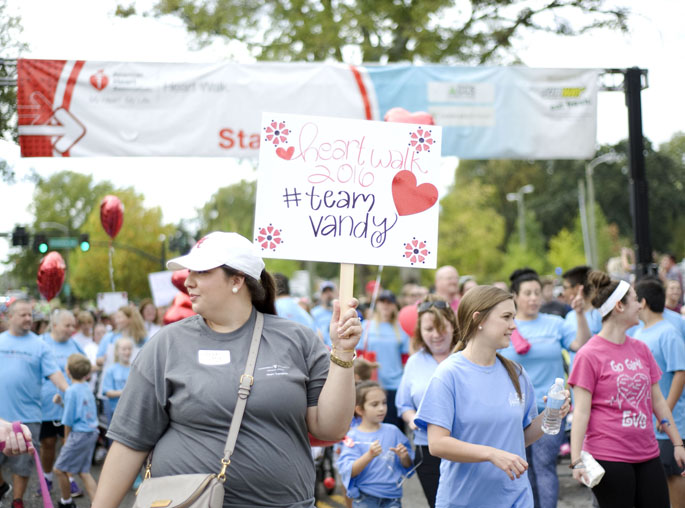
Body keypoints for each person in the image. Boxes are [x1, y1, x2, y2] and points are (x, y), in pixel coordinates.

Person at [91, 231, 362, 508]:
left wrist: (342, 351)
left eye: (202, 272)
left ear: (237, 280)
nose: (188, 281)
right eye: (190, 272)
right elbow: (130, 442)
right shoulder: (167, 344)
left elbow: (331, 428)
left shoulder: (297, 339)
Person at [415, 285, 570, 508]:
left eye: (513, 317)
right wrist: (490, 454)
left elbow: (520, 437)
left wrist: (551, 415)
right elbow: (437, 444)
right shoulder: (449, 374)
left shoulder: (516, 373)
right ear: (479, 319)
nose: (513, 326)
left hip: (515, 497)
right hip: (464, 501)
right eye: (506, 317)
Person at [569, 271, 685, 508]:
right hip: (608, 456)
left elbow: (658, 401)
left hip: (648, 452)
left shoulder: (641, 348)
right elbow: (581, 412)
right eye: (634, 299)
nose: (640, 305)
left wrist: (677, 444)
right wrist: (576, 459)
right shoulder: (588, 355)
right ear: (619, 306)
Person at [498, 268, 590, 508]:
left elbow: (581, 345)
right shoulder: (506, 326)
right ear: (515, 296)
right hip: (512, 410)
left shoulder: (555, 323)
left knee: (544, 465)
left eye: (537, 293)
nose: (533, 298)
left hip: (549, 408)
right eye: (527, 293)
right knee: (521, 468)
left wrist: (580, 314)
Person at [0, 299, 68, 508]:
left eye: (30, 314)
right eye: (23, 314)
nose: (28, 318)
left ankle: (17, 501)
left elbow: (55, 374)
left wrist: (70, 392)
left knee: (22, 464)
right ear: (10, 317)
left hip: (27, 417)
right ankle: (3, 487)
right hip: (0, 416)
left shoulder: (40, 345)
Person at [396, 296, 458, 508]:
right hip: (428, 449)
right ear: (420, 331)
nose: (436, 335)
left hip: (465, 446)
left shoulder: (465, 357)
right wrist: (413, 419)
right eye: (429, 329)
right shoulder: (414, 362)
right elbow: (404, 405)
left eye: (441, 327)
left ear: (453, 326)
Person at [633, 279, 685, 507]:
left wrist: (666, 414)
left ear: (643, 302)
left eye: (634, 299)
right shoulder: (638, 332)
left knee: (675, 480)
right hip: (647, 427)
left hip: (671, 426)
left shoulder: (668, 332)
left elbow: (681, 373)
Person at [337, 381, 414, 507]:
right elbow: (349, 471)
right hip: (366, 498)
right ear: (360, 410)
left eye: (384, 403)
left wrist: (404, 457)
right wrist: (369, 455)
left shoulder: (393, 431)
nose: (381, 408)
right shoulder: (352, 437)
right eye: (375, 404)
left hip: (392, 498)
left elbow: (408, 465)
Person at [38, 309, 84, 498]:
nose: (72, 329)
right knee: (48, 443)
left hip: (69, 403)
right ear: (55, 325)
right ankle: (46, 478)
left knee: (68, 443)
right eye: (67, 325)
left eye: (73, 325)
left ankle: (69, 480)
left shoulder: (74, 344)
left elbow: (85, 366)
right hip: (46, 404)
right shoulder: (41, 342)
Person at [53, 354, 99, 508]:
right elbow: (79, 410)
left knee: (59, 469)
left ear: (68, 371)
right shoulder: (86, 387)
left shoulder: (71, 391)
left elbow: (68, 421)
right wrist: (62, 403)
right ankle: (100, 504)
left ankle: (66, 503)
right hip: (91, 432)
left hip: (79, 434)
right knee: (84, 471)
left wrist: (66, 440)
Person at [362, 290, 410, 430]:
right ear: (377, 304)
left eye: (389, 302)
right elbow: (358, 354)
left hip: (395, 385)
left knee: (394, 427)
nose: (385, 305)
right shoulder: (366, 326)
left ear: (394, 305)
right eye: (382, 301)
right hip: (372, 384)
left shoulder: (401, 328)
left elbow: (405, 358)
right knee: (372, 427)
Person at [100, 337, 134, 424]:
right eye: (124, 349)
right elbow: (108, 392)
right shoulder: (111, 370)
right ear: (117, 351)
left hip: (132, 411)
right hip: (115, 411)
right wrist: (125, 392)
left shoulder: (134, 369)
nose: (127, 352)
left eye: (129, 349)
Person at [312, 281, 337, 346]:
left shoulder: (340, 311)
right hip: (322, 348)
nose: (328, 294)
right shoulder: (314, 313)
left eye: (330, 291)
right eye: (325, 292)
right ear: (321, 295)